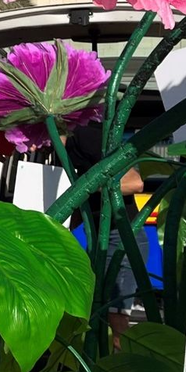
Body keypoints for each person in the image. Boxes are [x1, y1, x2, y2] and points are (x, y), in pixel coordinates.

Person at [63, 124, 146, 337]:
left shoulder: (84, 135)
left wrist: (88, 186)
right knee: (98, 317)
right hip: (102, 238)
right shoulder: (65, 145)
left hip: (122, 238)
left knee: (115, 321)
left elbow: (135, 182)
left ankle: (123, 367)